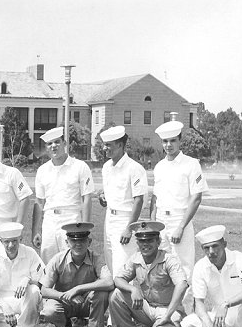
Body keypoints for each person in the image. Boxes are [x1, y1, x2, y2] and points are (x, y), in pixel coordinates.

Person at [150, 120, 208, 311]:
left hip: (179, 219)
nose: (168, 145)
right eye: (165, 141)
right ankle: (165, 310)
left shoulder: (191, 165)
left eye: (172, 140)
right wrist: (153, 226)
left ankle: (186, 313)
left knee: (184, 269)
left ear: (180, 140)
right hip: (161, 222)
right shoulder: (159, 166)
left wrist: (181, 226)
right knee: (162, 267)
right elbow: (155, 198)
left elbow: (196, 198)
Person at [110, 221, 188, 327]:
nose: (145, 244)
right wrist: (133, 289)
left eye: (150, 240)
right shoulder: (136, 258)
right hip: (148, 308)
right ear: (137, 243)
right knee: (116, 295)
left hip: (169, 309)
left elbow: (182, 284)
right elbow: (118, 279)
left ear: (158, 242)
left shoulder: (169, 259)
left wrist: (167, 316)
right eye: (141, 241)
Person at [40, 223, 114, 327]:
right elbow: (44, 290)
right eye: (73, 240)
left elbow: (109, 282)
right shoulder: (58, 259)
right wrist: (66, 295)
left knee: (102, 293)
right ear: (67, 242)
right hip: (65, 301)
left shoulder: (96, 258)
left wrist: (78, 289)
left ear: (89, 242)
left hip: (86, 302)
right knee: (49, 311)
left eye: (82, 240)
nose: (78, 244)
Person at [32, 127, 94, 264]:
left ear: (64, 143)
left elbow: (87, 199)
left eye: (57, 142)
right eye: (49, 144)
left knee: (71, 262)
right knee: (48, 264)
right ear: (46, 148)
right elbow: (39, 202)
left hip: (72, 219)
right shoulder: (42, 171)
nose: (53, 146)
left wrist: (85, 228)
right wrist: (36, 230)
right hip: (49, 221)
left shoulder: (80, 167)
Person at [98, 126, 148, 276]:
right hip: (109, 219)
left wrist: (129, 228)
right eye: (104, 144)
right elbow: (109, 193)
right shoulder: (106, 167)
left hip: (125, 220)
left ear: (120, 145)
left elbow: (139, 200)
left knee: (123, 269)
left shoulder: (134, 168)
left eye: (108, 145)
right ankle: (114, 299)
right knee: (110, 263)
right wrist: (103, 197)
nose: (104, 148)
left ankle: (126, 299)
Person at [0, 222, 44, 327]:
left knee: (34, 290)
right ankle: (11, 324)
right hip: (3, 300)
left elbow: (42, 281)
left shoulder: (30, 253)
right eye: (6, 241)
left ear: (20, 239)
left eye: (14, 241)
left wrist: (28, 280)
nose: (11, 245)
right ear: (1, 241)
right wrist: (5, 307)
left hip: (24, 300)